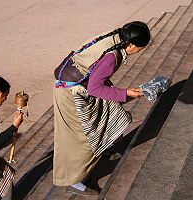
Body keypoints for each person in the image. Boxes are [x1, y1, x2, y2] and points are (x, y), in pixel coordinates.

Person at [53, 21, 151, 196]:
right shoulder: (112, 56)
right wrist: (126, 93)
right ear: (131, 44)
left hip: (74, 84)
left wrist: (119, 93)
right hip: (72, 94)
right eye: (140, 48)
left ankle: (104, 147)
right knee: (84, 138)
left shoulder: (113, 36)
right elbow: (95, 89)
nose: (140, 51)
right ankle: (74, 181)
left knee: (106, 115)